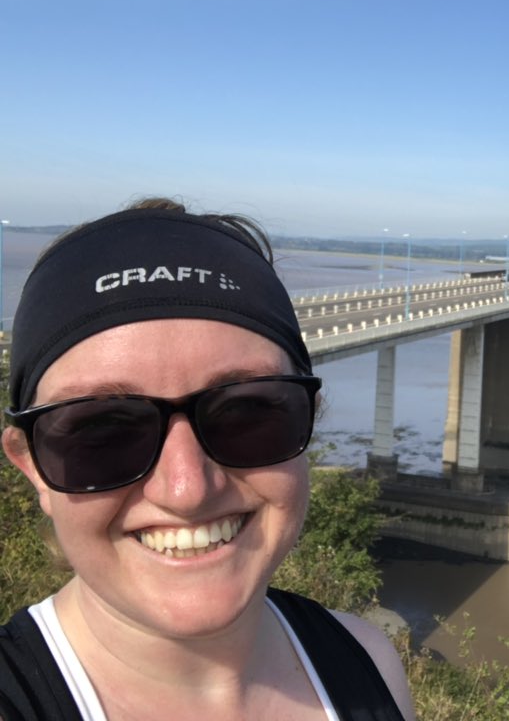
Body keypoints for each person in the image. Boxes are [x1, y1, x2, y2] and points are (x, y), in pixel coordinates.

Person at [0, 198, 416, 720]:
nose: (186, 489)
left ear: (309, 417)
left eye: (245, 413)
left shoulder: (368, 663)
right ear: (32, 465)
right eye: (102, 431)